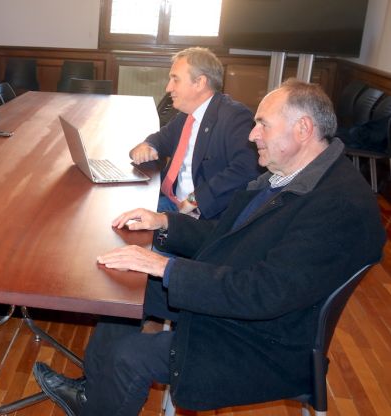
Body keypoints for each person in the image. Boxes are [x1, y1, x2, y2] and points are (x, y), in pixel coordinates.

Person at [32, 79, 386, 415]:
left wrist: (166, 267)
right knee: (124, 289)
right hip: (237, 302)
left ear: (303, 129)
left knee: (130, 353)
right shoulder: (292, 176)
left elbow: (264, 293)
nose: (252, 134)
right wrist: (165, 223)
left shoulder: (337, 206)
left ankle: (98, 401)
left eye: (263, 124)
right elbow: (228, 238)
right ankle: (94, 393)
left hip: (265, 341)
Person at [130, 47, 260, 219]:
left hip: (201, 214)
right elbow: (162, 139)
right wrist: (148, 145)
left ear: (199, 82)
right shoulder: (187, 114)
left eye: (175, 80)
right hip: (170, 201)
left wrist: (194, 199)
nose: (168, 88)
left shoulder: (235, 117)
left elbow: (246, 170)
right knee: (119, 216)